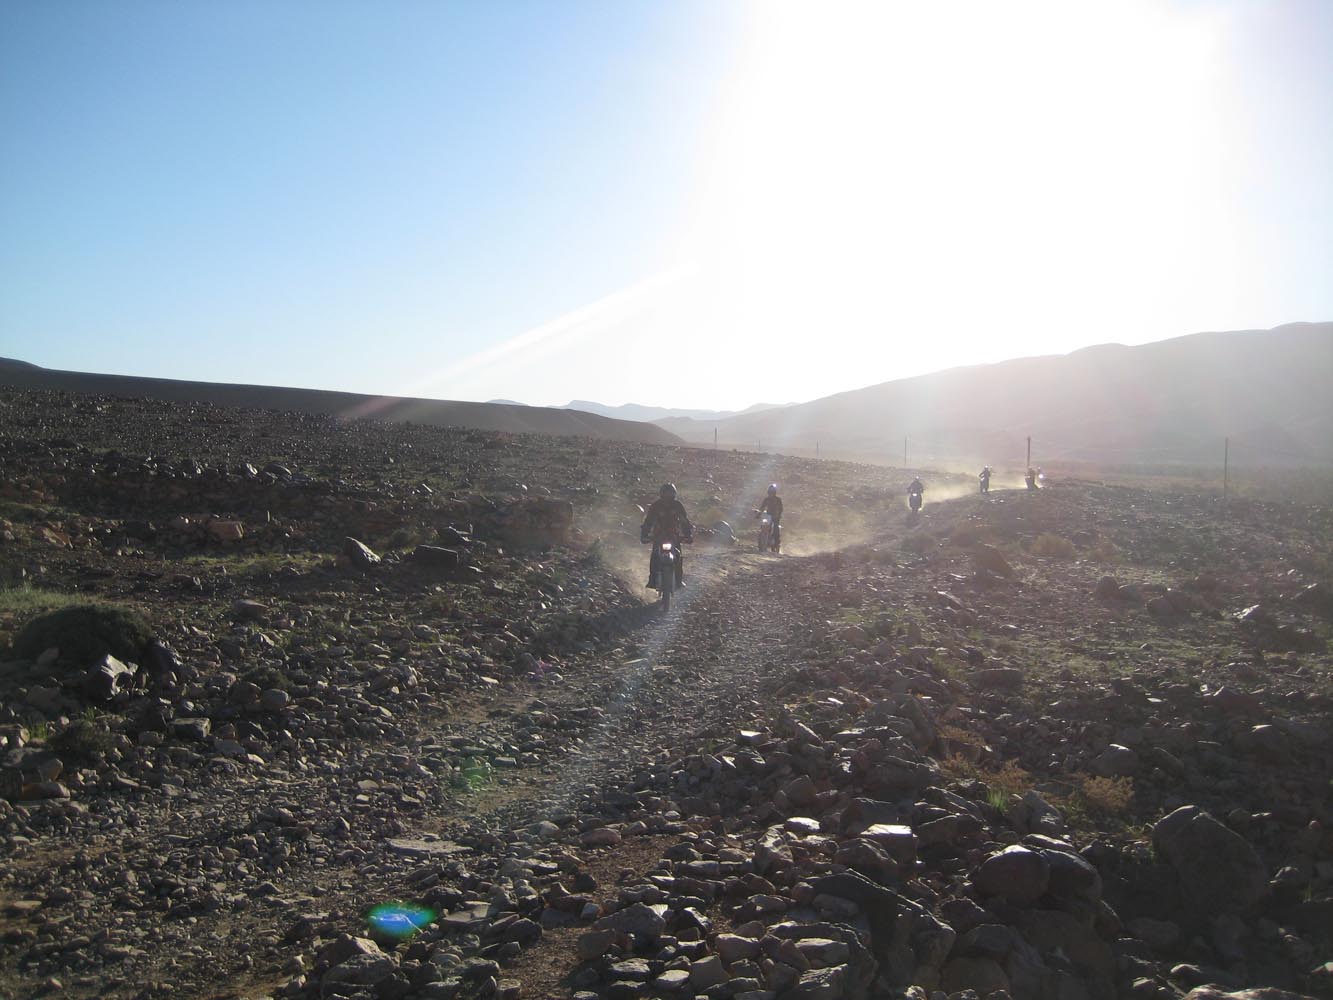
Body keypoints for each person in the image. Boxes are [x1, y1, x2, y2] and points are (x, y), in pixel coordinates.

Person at [641, 483, 693, 588]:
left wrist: (688, 534)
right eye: (666, 493)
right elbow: (648, 521)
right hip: (659, 535)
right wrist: (644, 534)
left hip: (674, 535)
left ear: (674, 494)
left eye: (670, 493)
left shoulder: (677, 505)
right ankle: (652, 579)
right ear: (661, 494)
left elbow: (684, 521)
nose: (668, 496)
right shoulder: (656, 506)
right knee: (655, 556)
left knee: (678, 556)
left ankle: (678, 580)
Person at [758, 483, 783, 552]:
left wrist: (778, 514)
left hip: (776, 517)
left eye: (772, 492)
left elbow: (781, 508)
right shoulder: (766, 499)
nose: (771, 493)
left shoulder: (778, 499)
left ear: (774, 492)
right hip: (768, 516)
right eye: (770, 492)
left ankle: (776, 543)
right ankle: (762, 542)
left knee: (775, 528)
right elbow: (762, 507)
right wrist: (759, 514)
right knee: (763, 526)